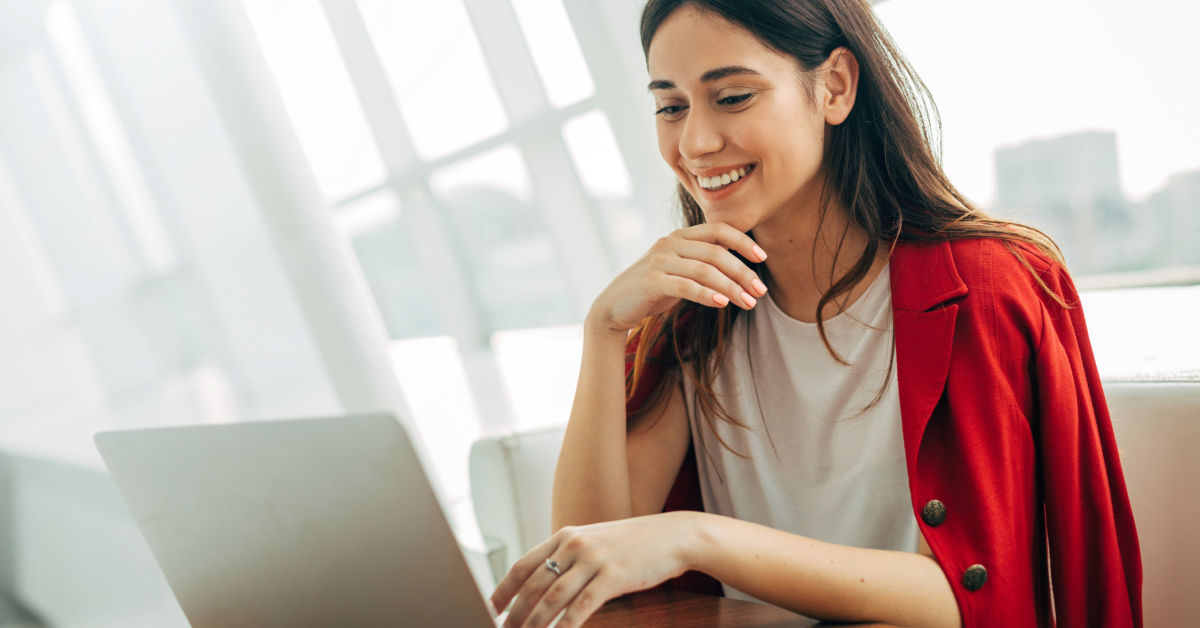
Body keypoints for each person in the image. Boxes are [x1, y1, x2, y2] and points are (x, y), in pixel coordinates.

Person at [488, 0, 1142, 626]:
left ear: (833, 87)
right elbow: (591, 574)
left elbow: (963, 597)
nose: (696, 140)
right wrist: (604, 333)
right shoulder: (693, 319)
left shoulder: (984, 284)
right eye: (670, 106)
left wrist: (697, 537)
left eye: (733, 96)